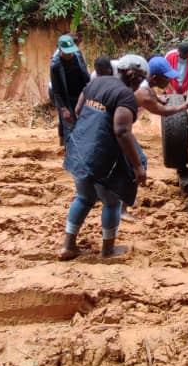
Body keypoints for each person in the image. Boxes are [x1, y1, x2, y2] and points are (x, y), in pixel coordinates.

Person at [59, 54, 150, 260]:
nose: (140, 84)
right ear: (131, 75)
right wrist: (137, 166)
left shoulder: (96, 82)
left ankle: (68, 245)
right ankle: (107, 250)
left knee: (84, 197)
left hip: (80, 148)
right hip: (101, 155)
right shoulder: (125, 95)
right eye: (140, 79)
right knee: (111, 202)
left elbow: (79, 109)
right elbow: (122, 132)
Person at [49, 34, 90, 146]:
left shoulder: (77, 54)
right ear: (60, 49)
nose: (70, 54)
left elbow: (85, 74)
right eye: (68, 52)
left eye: (71, 51)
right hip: (65, 96)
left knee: (84, 122)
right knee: (69, 124)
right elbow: (57, 90)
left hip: (80, 93)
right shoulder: (55, 65)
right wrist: (63, 109)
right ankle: (69, 151)